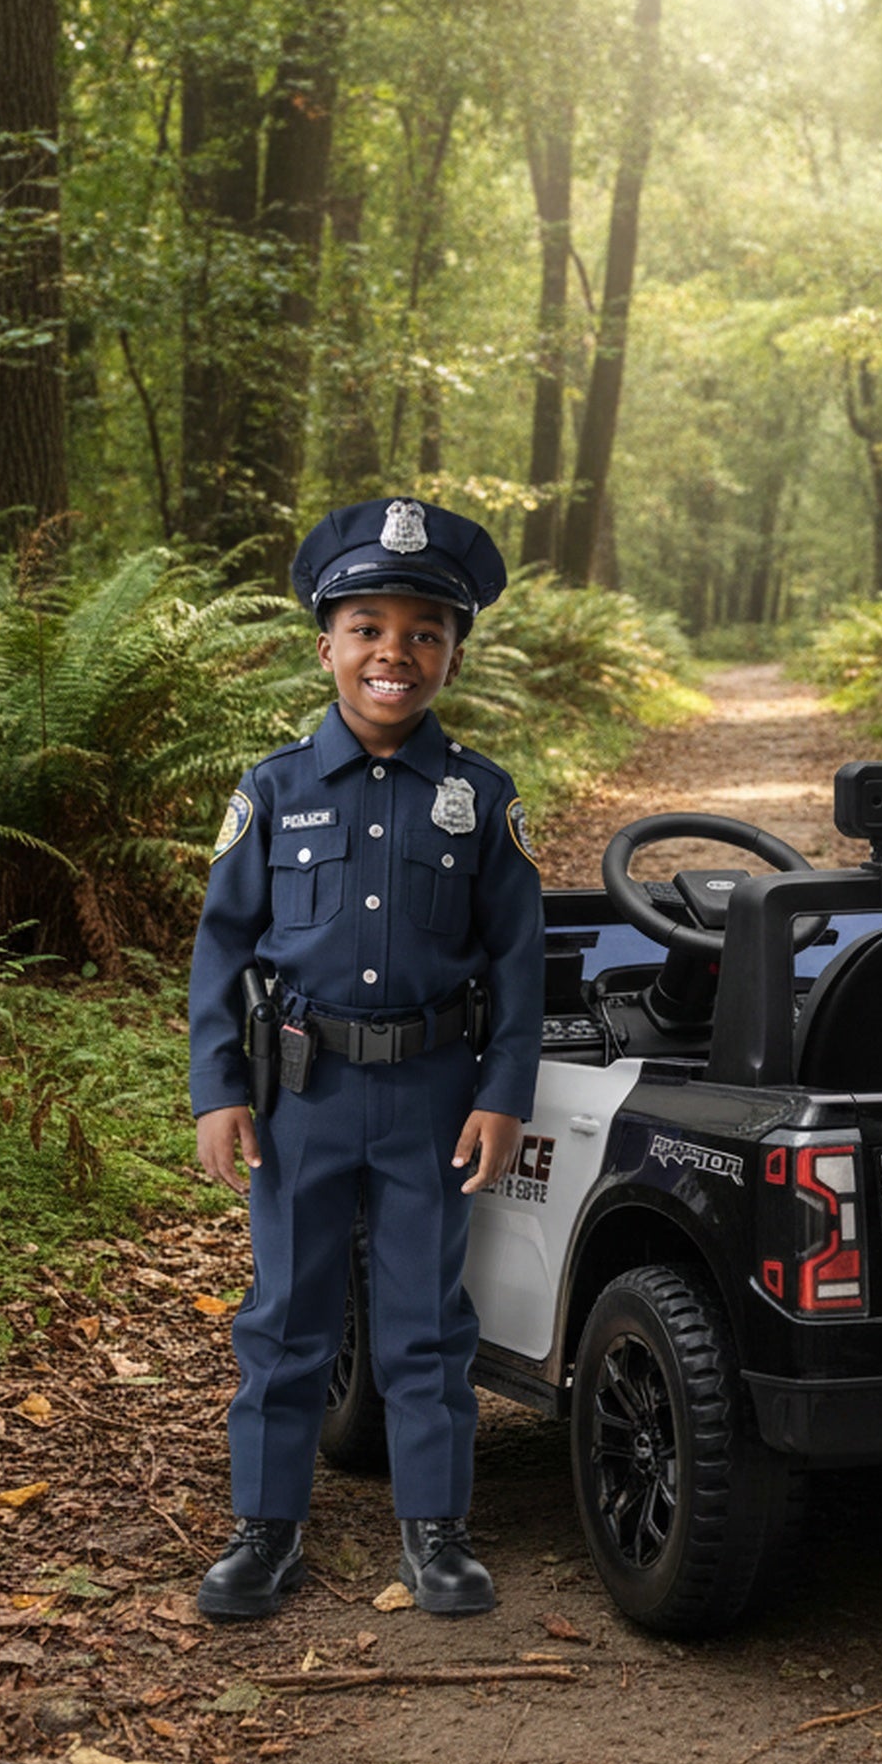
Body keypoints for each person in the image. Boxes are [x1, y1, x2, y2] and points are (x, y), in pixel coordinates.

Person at [187, 496, 543, 1621]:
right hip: (303, 1092)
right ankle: (265, 1530)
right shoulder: (275, 788)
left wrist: (503, 1094)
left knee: (425, 1318)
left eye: (424, 633)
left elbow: (519, 961)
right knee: (287, 1312)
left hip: (433, 1094)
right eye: (369, 629)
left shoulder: (480, 797)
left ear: (452, 654)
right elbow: (222, 945)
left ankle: (436, 1533)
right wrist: (217, 1090)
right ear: (327, 645)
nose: (396, 652)